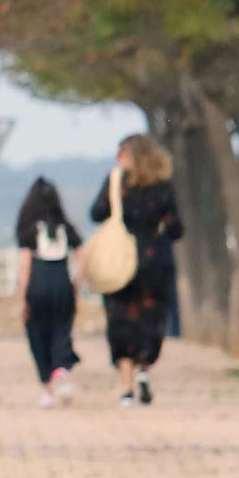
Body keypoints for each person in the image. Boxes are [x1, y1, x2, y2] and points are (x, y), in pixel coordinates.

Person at [90, 133, 185, 407]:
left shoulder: (117, 184)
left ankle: (126, 386)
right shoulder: (163, 187)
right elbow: (177, 229)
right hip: (154, 260)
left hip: (120, 260)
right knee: (151, 317)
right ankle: (144, 366)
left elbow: (96, 213)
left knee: (120, 319)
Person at [15, 178, 84, 407]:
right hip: (62, 283)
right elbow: (81, 259)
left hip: (38, 285)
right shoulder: (67, 228)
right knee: (62, 330)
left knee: (38, 334)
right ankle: (61, 368)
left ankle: (46, 389)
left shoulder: (30, 231)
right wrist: (75, 286)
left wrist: (22, 298)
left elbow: (24, 267)